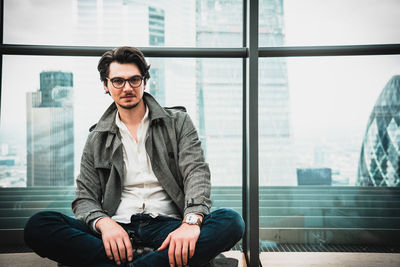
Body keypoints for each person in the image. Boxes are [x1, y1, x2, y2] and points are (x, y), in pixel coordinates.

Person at [24, 46, 245, 267]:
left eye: (134, 80)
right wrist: (104, 223)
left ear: (144, 82)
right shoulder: (97, 137)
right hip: (117, 229)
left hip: (169, 227)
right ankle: (156, 262)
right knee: (39, 225)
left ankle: (129, 262)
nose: (127, 87)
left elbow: (196, 173)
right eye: (118, 81)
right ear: (106, 86)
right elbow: (85, 197)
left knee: (231, 221)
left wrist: (190, 223)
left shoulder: (178, 122)